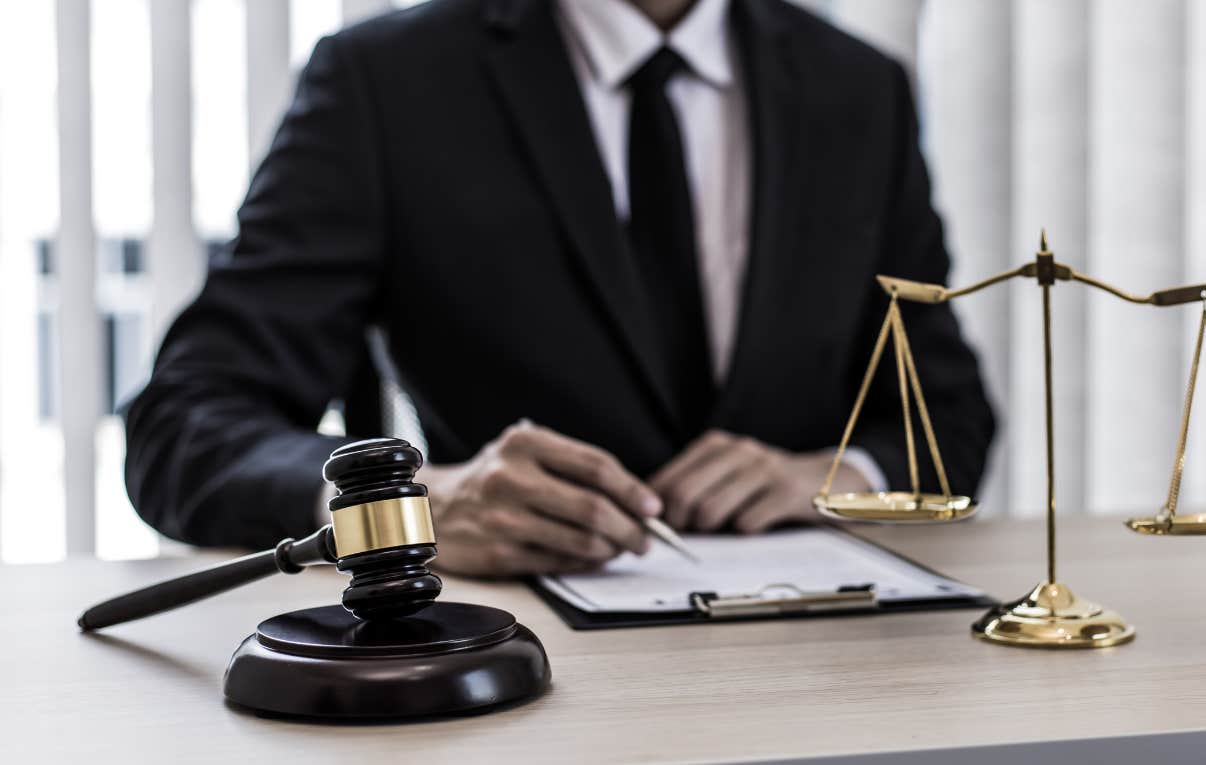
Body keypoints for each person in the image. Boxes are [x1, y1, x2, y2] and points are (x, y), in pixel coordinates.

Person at [125, 0, 994, 577]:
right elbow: (182, 427)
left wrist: (842, 473)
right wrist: (406, 511)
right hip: (523, 676)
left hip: (827, 669)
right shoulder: (388, 83)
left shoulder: (860, 89)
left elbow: (947, 416)